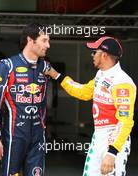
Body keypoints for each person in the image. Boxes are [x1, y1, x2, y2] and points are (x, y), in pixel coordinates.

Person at [46, 36, 136, 176]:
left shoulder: (122, 82)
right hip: (98, 137)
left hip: (114, 139)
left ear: (104, 55)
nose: (92, 55)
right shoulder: (101, 75)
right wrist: (56, 75)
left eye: (95, 52)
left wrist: (112, 152)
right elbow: (84, 92)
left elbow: (125, 121)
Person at [0, 23, 51, 176]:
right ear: (31, 40)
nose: (48, 45)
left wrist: (42, 127)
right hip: (14, 136)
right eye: (44, 40)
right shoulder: (6, 66)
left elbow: (43, 101)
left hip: (37, 137)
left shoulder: (46, 68)